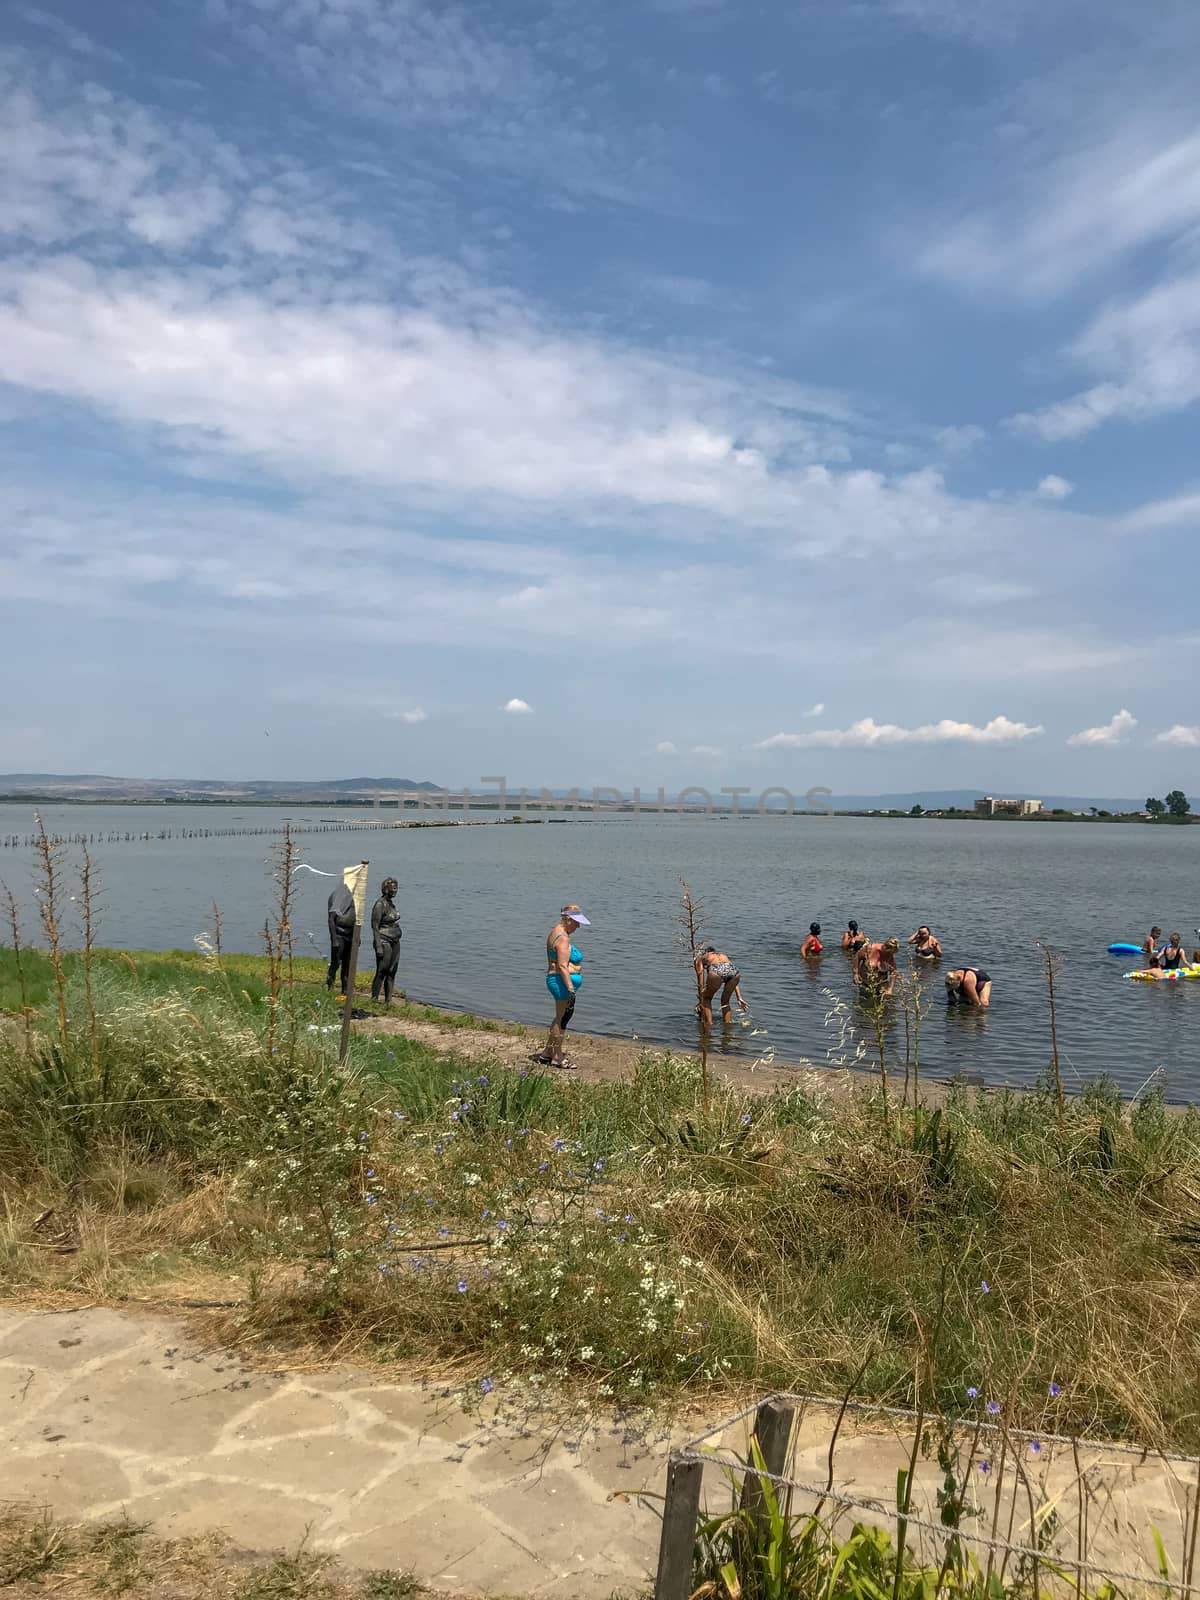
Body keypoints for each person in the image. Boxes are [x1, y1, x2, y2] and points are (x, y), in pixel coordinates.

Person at [531, 904, 590, 1069]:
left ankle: (546, 1054)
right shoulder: (562, 937)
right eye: (577, 922)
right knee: (562, 1020)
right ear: (568, 919)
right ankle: (557, 1057)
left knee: (560, 1017)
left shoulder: (556, 932)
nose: (578, 926)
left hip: (559, 981)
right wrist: (571, 988)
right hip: (561, 983)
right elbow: (563, 966)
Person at [695, 945, 749, 1027]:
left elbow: (701, 983)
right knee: (725, 1001)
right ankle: (728, 1027)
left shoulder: (701, 958)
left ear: (705, 953)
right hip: (734, 972)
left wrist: (700, 999)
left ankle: (708, 1026)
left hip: (717, 970)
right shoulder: (723, 956)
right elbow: (730, 974)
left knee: (707, 998)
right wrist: (739, 998)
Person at [370, 877, 402, 1004]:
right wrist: (378, 945)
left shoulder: (391, 904)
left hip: (395, 940)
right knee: (382, 971)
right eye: (393, 888)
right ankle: (374, 999)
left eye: (396, 888)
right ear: (386, 889)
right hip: (384, 941)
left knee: (392, 970)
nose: (395, 890)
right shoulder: (380, 904)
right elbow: (374, 925)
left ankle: (388, 1000)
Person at [326, 881, 356, 996]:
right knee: (335, 963)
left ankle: (345, 991)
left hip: (350, 935)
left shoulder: (354, 897)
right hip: (339, 934)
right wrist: (334, 939)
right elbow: (331, 919)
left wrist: (357, 937)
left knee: (347, 965)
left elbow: (356, 917)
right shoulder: (338, 896)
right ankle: (329, 987)